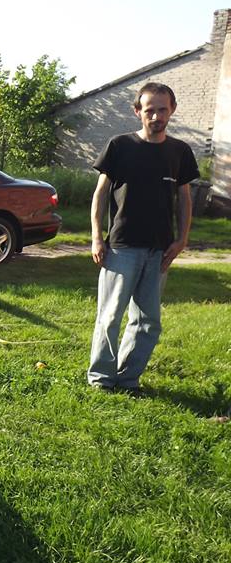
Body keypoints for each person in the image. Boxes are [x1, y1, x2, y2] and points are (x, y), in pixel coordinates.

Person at [88, 81, 199, 393]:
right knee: (110, 317)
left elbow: (184, 199)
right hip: (121, 246)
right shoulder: (119, 146)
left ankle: (127, 379)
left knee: (148, 322)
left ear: (172, 110)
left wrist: (182, 239)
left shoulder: (180, 151)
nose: (156, 116)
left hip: (160, 250)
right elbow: (100, 194)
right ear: (137, 111)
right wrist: (97, 237)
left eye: (162, 110)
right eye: (149, 110)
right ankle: (101, 379)